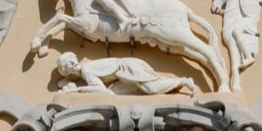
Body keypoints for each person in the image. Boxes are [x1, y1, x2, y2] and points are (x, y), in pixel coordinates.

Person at [55, 51, 198, 96]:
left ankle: (184, 81)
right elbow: (105, 92)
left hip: (127, 68)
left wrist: (76, 90)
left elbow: (99, 89)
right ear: (68, 71)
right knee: (112, 94)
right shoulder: (84, 72)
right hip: (122, 76)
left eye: (72, 60)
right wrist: (68, 85)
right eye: (69, 64)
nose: (73, 63)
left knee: (151, 88)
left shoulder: (86, 70)